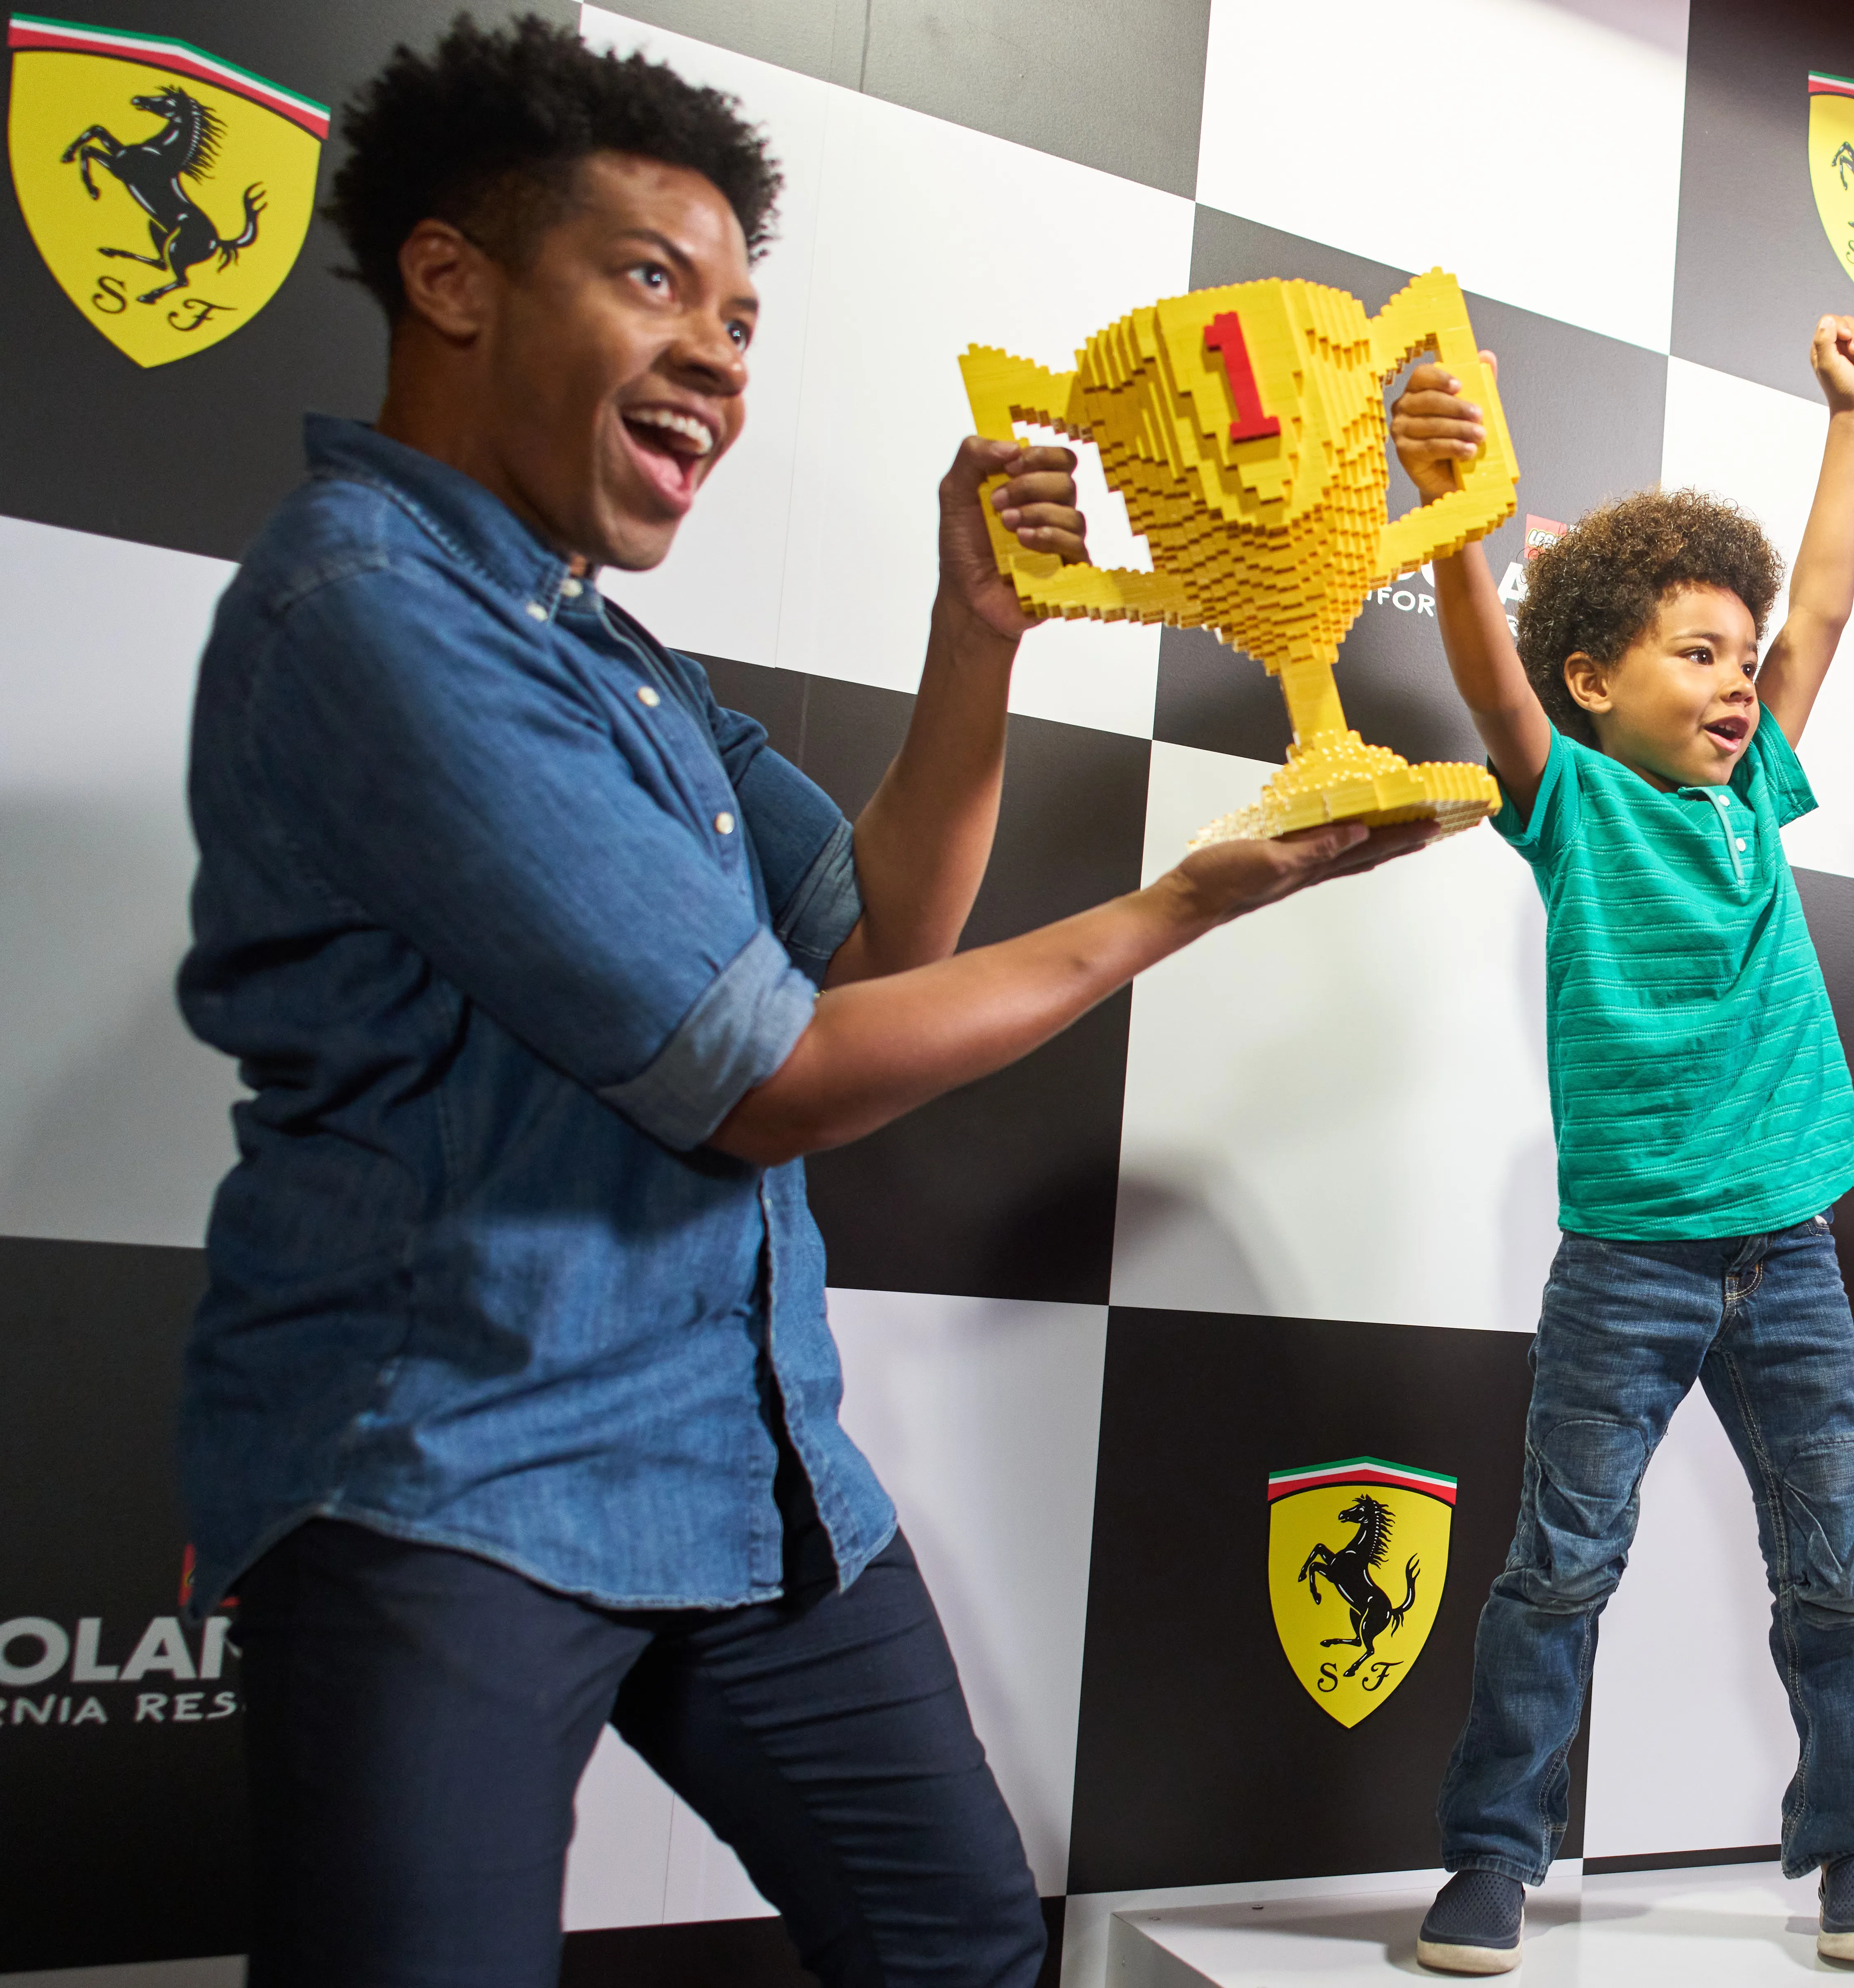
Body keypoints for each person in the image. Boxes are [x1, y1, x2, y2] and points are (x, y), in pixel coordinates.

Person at [173, 19, 1435, 1987]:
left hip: (746, 1467)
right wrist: (1185, 902)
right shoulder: (367, 616)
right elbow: (768, 1079)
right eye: (654, 281)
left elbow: (877, 951)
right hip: (448, 1478)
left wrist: (976, 637)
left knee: (957, 1958)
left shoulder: (623, 664)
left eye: (747, 321)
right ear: (452, 280)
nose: (719, 360)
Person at [1388, 316, 1854, 1973]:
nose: (1739, 679)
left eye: (1741, 659)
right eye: (1697, 654)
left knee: (1832, 1577)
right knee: (1558, 1570)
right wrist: (1462, 507)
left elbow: (1819, 603)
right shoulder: (1568, 801)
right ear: (1593, 685)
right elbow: (1484, 659)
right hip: (1628, 1266)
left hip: (1795, 1253)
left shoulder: (1757, 793)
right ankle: (1490, 1855)